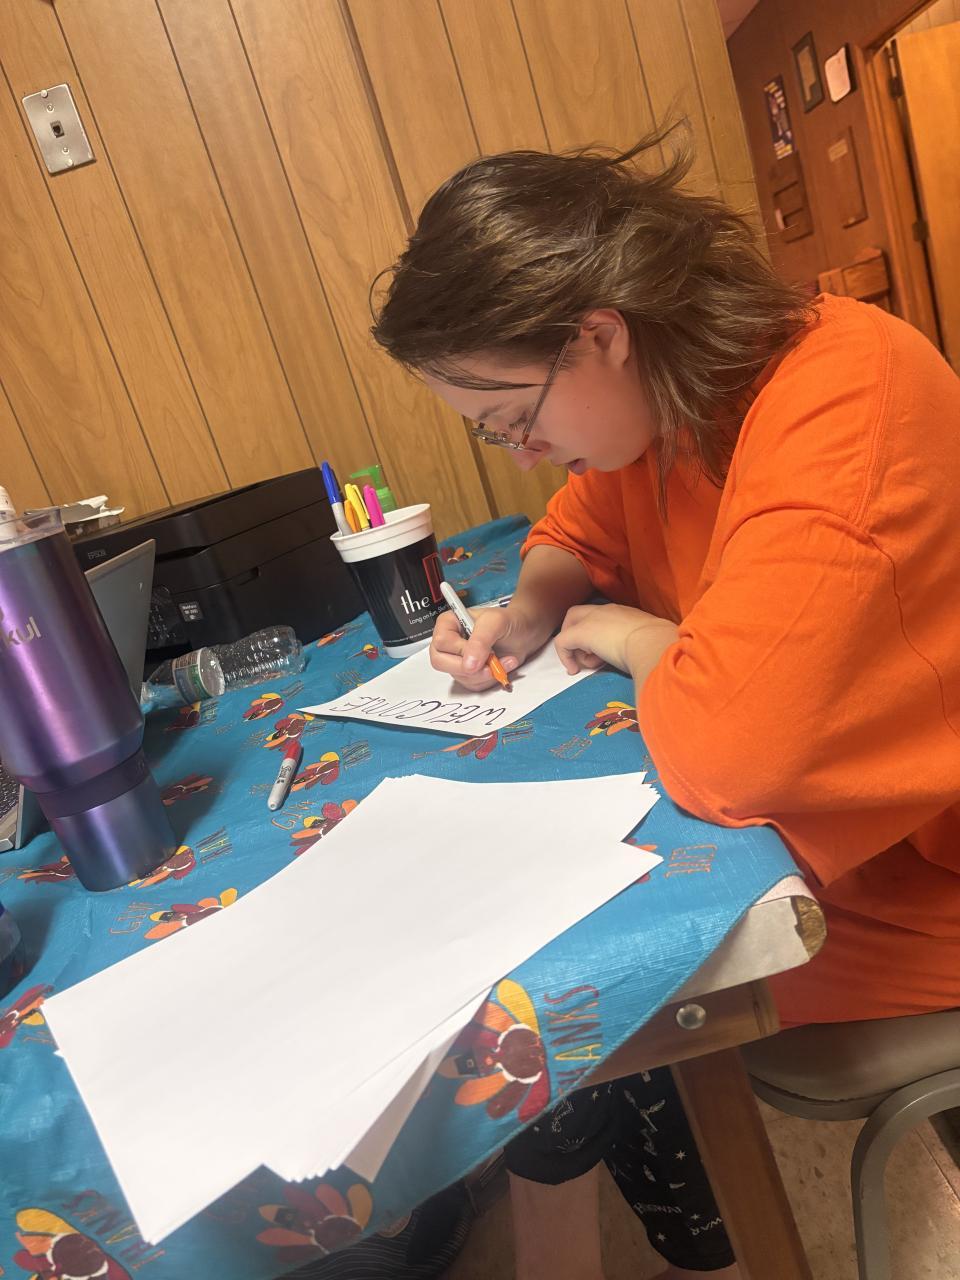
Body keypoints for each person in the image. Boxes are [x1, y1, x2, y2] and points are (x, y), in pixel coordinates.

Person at [370, 131, 960, 1279]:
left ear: (598, 334)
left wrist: (633, 634)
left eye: (512, 416)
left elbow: (730, 754)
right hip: (850, 837)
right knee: (538, 973)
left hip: (927, 874)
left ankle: (680, 1247)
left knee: (570, 997)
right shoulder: (674, 398)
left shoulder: (842, 398)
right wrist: (530, 610)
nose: (521, 451)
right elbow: (578, 526)